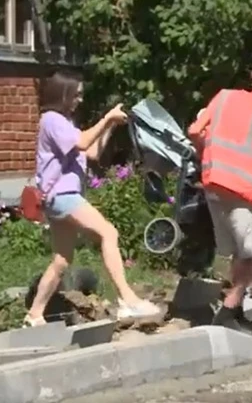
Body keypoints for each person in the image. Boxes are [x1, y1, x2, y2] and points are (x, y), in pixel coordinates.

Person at [24, 71, 160, 327]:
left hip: (56, 198)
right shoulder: (52, 120)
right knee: (109, 233)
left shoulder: (63, 123)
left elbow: (93, 152)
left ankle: (34, 314)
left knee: (62, 260)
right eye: (76, 94)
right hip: (63, 196)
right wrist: (106, 117)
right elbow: (85, 142)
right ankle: (127, 300)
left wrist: (108, 125)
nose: (79, 99)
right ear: (62, 94)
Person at [188, 69, 252, 331]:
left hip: (213, 183)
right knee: (250, 254)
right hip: (242, 188)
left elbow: (193, 131)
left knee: (237, 250)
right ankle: (229, 311)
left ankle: (236, 311)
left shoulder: (223, 98)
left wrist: (207, 157)